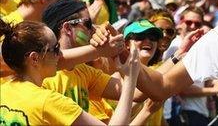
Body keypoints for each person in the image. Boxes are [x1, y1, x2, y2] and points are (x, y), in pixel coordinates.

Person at [0, 18, 140, 125]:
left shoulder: (3, 90)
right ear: (34, 59)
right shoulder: (49, 101)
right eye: (55, 49)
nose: (61, 54)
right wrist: (130, 78)